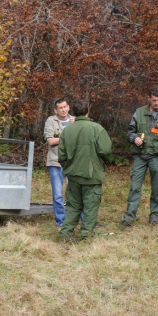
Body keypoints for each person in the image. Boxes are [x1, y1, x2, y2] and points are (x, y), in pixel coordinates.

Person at [58, 100, 112, 241]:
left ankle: (65, 234)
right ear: (87, 111)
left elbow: (61, 156)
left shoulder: (66, 131)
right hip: (91, 176)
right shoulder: (96, 128)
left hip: (73, 175)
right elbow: (106, 150)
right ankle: (86, 236)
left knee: (72, 207)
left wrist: (69, 167)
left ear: (73, 111)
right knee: (90, 207)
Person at [122, 86, 158, 227]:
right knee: (135, 187)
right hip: (140, 155)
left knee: (156, 188)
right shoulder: (138, 113)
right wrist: (134, 138)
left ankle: (154, 217)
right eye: (154, 100)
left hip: (157, 156)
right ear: (149, 98)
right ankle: (129, 218)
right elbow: (130, 132)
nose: (157, 103)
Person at [43, 98, 75, 227]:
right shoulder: (51, 121)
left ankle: (77, 218)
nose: (63, 109)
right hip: (55, 162)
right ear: (55, 110)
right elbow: (50, 141)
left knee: (75, 192)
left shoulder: (75, 120)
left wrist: (61, 137)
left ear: (68, 107)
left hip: (73, 161)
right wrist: (68, 136)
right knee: (57, 194)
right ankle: (61, 221)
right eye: (60, 108)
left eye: (65, 106)